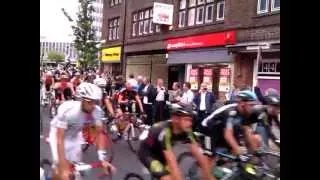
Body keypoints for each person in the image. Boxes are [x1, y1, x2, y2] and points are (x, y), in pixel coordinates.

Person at [48, 83, 116, 180]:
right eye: (89, 102)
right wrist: (62, 166)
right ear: (81, 100)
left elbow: (99, 134)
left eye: (95, 102)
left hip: (75, 136)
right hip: (57, 135)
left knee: (75, 170)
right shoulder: (68, 110)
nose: (92, 105)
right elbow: (60, 138)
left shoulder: (96, 111)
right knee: (61, 172)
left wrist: (102, 159)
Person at [137, 106, 214, 180]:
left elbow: (199, 154)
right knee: (167, 177)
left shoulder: (187, 130)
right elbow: (172, 161)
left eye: (191, 120)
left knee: (173, 174)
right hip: (148, 154)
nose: (190, 124)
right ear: (176, 119)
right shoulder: (165, 131)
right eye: (186, 120)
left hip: (162, 154)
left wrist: (209, 176)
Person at [200, 90, 263, 170]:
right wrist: (237, 148)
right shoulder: (230, 112)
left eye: (254, 105)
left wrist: (255, 151)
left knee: (236, 152)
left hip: (222, 129)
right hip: (208, 130)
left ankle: (222, 165)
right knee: (210, 159)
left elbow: (247, 131)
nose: (253, 107)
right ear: (242, 103)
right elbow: (228, 135)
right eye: (251, 105)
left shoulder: (245, 113)